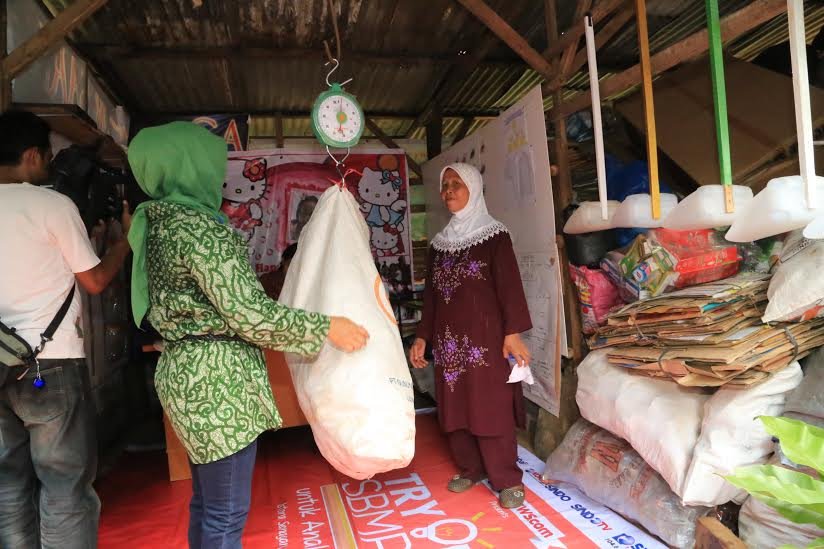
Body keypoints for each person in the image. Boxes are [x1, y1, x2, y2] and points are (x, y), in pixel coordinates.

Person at [127, 121, 368, 549]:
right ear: (191, 167)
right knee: (225, 512)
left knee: (207, 503)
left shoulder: (157, 224)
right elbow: (249, 314)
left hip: (184, 373)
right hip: (217, 382)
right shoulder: (200, 228)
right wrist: (326, 326)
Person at [0, 110, 132, 549]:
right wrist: (122, 243)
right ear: (33, 155)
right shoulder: (52, 205)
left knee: (8, 482)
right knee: (63, 484)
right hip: (48, 362)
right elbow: (94, 280)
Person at [408, 162, 532, 510]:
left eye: (456, 185)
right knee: (456, 408)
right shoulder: (439, 245)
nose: (448, 191)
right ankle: (471, 468)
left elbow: (509, 289)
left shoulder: (494, 237)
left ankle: (507, 479)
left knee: (491, 407)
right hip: (449, 346)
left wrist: (513, 334)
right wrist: (422, 337)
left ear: (474, 189)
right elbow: (431, 297)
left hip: (488, 343)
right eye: (445, 185)